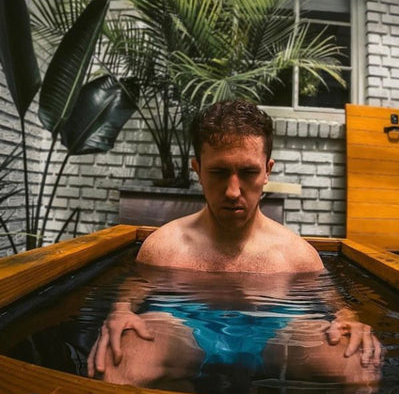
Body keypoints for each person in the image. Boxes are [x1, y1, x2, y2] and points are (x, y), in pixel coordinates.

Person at [88, 100, 382, 391]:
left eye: (248, 172)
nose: (232, 191)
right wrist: (121, 309)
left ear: (267, 171)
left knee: (359, 367)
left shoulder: (298, 256)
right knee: (115, 364)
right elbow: (136, 286)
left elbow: (329, 298)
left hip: (277, 329)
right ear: (198, 169)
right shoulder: (164, 246)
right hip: (182, 322)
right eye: (218, 172)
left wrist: (348, 317)